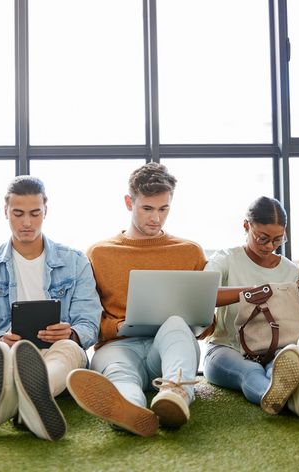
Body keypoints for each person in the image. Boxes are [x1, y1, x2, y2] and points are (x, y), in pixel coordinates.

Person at [66, 162, 205, 437]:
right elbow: (85, 314)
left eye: (164, 209)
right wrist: (114, 327)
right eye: (148, 209)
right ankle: (129, 408)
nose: (156, 218)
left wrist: (201, 320)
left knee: (176, 323)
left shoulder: (189, 252)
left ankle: (175, 395)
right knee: (119, 373)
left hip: (167, 348)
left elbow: (205, 323)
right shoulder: (99, 253)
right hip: (118, 346)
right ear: (129, 202)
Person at [0, 176, 101, 441]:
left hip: (59, 349)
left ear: (45, 211)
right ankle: (30, 401)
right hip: (12, 350)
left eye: (34, 213)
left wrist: (70, 333)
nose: (26, 222)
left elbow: (89, 322)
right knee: (2, 350)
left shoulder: (75, 261)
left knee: (71, 349)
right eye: (18, 213)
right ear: (6, 212)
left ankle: (22, 394)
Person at [202, 196, 299, 422]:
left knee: (283, 362)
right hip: (225, 348)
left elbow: (292, 319)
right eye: (263, 238)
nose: (270, 246)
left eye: (278, 240)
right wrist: (254, 291)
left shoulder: (290, 269)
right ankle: (287, 399)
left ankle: (291, 393)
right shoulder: (226, 259)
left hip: (272, 349)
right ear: (246, 226)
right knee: (250, 372)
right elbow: (204, 294)